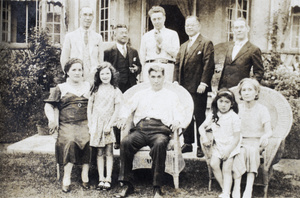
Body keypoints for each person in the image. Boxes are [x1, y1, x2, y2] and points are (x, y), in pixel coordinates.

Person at [114, 65, 185, 198]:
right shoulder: (141, 94)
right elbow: (127, 106)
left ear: (164, 77)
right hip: (141, 129)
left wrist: (177, 121)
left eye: (159, 77)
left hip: (160, 130)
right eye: (153, 77)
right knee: (126, 142)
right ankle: (127, 184)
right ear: (149, 77)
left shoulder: (171, 95)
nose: (156, 80)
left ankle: (157, 187)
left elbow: (180, 112)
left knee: (159, 145)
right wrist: (123, 117)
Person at [44, 58, 91, 193]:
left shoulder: (88, 86)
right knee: (70, 141)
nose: (77, 73)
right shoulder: (61, 88)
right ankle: (67, 176)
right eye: (74, 70)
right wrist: (51, 120)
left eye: (80, 70)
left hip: (85, 122)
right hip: (67, 124)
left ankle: (85, 174)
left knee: (89, 139)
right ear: (67, 72)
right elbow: (48, 105)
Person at [174, 16, 215, 157]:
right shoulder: (184, 45)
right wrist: (175, 82)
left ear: (199, 26)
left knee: (199, 115)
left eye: (192, 25)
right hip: (184, 87)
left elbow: (208, 65)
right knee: (187, 115)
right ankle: (188, 143)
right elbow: (177, 64)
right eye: (187, 25)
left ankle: (200, 145)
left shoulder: (205, 43)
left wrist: (204, 83)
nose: (189, 28)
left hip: (198, 87)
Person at [232, 78, 272, 198]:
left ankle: (249, 188)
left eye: (250, 90)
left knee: (252, 150)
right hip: (239, 140)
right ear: (240, 93)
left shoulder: (262, 109)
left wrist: (265, 136)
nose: (246, 93)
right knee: (240, 151)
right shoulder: (237, 108)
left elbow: (269, 130)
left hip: (256, 142)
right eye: (243, 90)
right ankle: (237, 186)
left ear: (256, 92)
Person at [104, 24, 141, 149]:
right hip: (117, 85)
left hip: (131, 85)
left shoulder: (133, 51)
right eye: (121, 33)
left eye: (126, 32)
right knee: (117, 110)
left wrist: (136, 68)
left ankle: (130, 138)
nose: (124, 35)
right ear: (115, 35)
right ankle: (118, 140)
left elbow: (139, 66)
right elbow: (105, 69)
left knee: (130, 110)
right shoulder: (109, 52)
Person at [199, 89, 241, 198]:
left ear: (232, 104)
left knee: (227, 168)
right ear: (216, 102)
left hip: (231, 146)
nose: (223, 105)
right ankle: (225, 188)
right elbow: (201, 127)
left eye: (227, 102)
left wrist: (228, 151)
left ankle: (226, 192)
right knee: (214, 164)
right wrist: (204, 137)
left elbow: (236, 138)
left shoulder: (234, 117)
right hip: (218, 145)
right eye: (221, 101)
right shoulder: (213, 114)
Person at [88, 62, 122, 191]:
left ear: (112, 74)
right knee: (99, 152)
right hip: (97, 123)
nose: (105, 76)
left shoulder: (115, 90)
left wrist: (110, 124)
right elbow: (89, 108)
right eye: (102, 74)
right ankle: (101, 178)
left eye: (107, 73)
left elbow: (117, 109)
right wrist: (91, 124)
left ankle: (108, 178)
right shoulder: (95, 89)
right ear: (98, 75)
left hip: (108, 124)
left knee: (109, 152)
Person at [60, 7, 103, 84]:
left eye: (90, 15)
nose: (87, 18)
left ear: (93, 18)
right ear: (80, 17)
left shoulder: (98, 37)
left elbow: (100, 60)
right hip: (75, 77)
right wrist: (70, 75)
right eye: (85, 15)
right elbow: (64, 59)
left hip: (93, 78)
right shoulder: (70, 36)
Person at [218, 18, 264, 89]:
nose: (239, 30)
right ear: (233, 30)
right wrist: (220, 88)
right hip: (225, 89)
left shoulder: (253, 49)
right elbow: (225, 69)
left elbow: (259, 72)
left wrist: (249, 87)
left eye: (242, 27)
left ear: (247, 29)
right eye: (236, 28)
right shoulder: (230, 47)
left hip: (240, 89)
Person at [140, 6, 180, 82]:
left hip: (167, 67)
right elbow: (142, 56)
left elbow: (177, 54)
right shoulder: (146, 36)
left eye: (159, 18)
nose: (157, 21)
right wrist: (143, 74)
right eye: (154, 19)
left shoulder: (172, 34)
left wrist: (162, 43)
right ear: (151, 20)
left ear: (164, 18)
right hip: (150, 67)